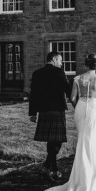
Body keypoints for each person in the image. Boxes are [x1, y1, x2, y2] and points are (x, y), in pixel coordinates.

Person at [39, 52, 96, 191]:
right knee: (92, 142)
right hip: (94, 110)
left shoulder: (77, 79)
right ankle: (91, 181)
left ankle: (78, 179)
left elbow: (72, 98)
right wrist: (93, 107)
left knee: (82, 141)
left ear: (85, 64)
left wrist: (80, 108)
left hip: (80, 110)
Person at [28, 50, 72, 182]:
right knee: (57, 141)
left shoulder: (37, 74)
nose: (61, 63)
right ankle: (49, 167)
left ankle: (51, 168)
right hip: (57, 110)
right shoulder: (59, 72)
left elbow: (34, 94)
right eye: (60, 61)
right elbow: (68, 90)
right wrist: (77, 101)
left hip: (44, 111)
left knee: (51, 140)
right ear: (54, 60)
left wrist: (32, 113)